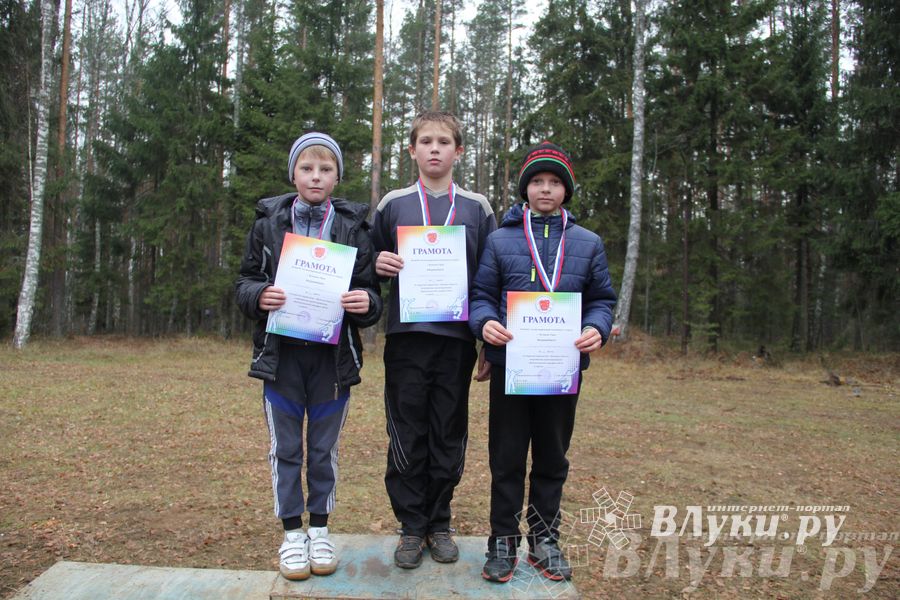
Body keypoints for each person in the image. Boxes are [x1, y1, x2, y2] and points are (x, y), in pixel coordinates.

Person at [235, 132, 383, 581]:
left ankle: (320, 530)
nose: (315, 177)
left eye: (325, 169)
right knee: (286, 450)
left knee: (322, 450)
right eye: (306, 168)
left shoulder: (354, 226)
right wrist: (261, 295)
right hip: (281, 357)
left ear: (337, 176)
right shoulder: (267, 224)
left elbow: (372, 293)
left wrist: (365, 304)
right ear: (293, 173)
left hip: (331, 360)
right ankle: (291, 534)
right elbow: (243, 283)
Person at [468, 141, 617, 583]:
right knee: (507, 457)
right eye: (537, 181)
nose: (545, 189)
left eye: (555, 182)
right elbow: (480, 297)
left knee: (553, 457)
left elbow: (602, 300)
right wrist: (486, 324)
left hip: (562, 370)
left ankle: (545, 539)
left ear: (566, 190)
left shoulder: (588, 243)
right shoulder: (500, 240)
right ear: (525, 188)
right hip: (512, 369)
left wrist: (598, 328)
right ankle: (502, 540)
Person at [371, 111, 498, 569]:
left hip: (457, 341)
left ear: (459, 151)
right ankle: (410, 526)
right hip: (406, 338)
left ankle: (439, 521)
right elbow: (368, 262)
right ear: (412, 150)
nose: (435, 149)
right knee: (407, 430)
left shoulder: (477, 208)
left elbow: (490, 277)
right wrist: (378, 264)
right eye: (425, 141)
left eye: (444, 141)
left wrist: (489, 341)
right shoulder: (393, 204)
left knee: (448, 431)